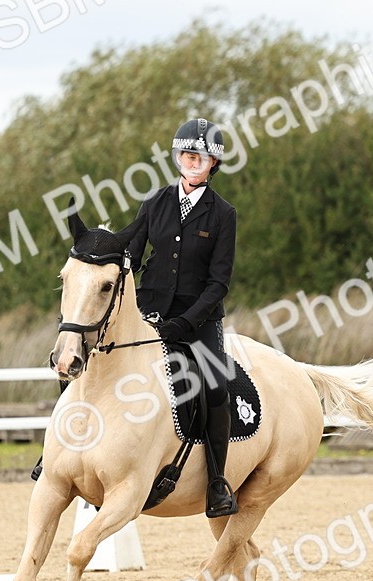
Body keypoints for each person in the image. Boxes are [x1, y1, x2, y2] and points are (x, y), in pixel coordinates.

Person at [127, 118, 238, 518]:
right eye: (189, 155)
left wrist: (185, 323)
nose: (195, 162)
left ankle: (217, 481)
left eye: (203, 157)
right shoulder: (153, 203)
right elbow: (131, 259)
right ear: (177, 158)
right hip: (149, 311)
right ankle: (54, 455)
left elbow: (219, 282)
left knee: (215, 386)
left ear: (213, 164)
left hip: (199, 319)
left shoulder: (223, 214)